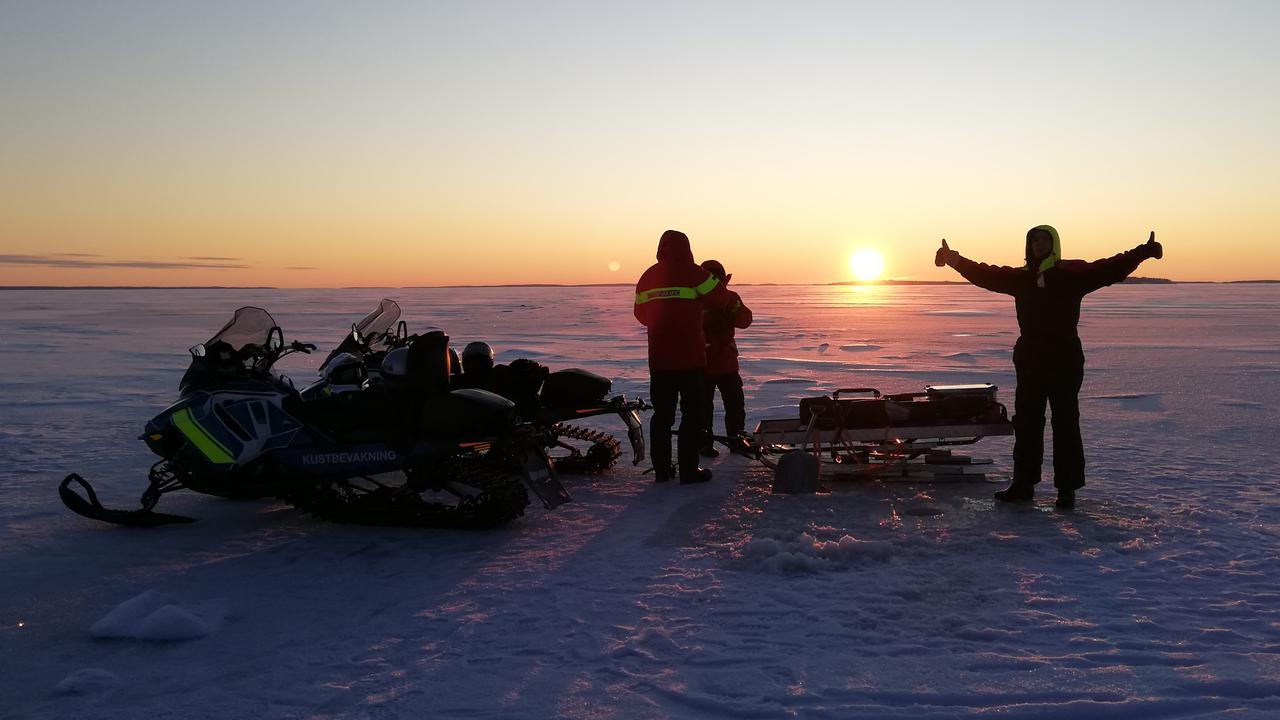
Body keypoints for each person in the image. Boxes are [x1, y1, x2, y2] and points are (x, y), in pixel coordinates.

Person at [935, 226, 1163, 509]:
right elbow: (987, 274)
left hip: (1064, 358)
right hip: (1030, 358)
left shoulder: (1071, 275)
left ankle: (1067, 490)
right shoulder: (1021, 278)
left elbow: (1109, 268)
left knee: (1066, 422)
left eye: (1044, 239)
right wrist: (954, 259)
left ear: (1054, 244)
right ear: (1028, 245)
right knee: (1028, 422)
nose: (1039, 243)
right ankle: (1023, 484)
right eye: (1034, 240)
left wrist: (1143, 252)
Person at [634, 230, 733, 484]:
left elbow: (641, 315)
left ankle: (662, 471)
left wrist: (664, 323)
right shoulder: (695, 273)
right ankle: (689, 471)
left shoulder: (648, 276)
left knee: (662, 416)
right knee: (692, 415)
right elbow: (722, 297)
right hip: (691, 361)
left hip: (660, 361)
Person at [698, 259, 753, 457]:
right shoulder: (696, 298)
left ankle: (736, 441)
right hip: (702, 363)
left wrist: (731, 315)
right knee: (702, 407)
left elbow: (746, 319)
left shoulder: (731, 297)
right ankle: (704, 444)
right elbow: (687, 323)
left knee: (735, 405)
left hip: (727, 363)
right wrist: (711, 318)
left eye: (717, 277)